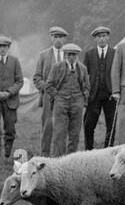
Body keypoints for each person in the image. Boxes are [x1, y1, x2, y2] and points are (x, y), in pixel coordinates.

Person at [32, 26, 69, 156]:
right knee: (47, 127)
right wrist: (47, 88)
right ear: (51, 38)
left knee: (62, 128)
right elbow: (36, 78)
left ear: (64, 39)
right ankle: (45, 156)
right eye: (55, 37)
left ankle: (60, 156)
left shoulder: (70, 54)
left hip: (65, 98)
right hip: (48, 98)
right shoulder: (43, 55)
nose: (58, 40)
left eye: (60, 37)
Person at [48, 43, 90, 155]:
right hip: (61, 103)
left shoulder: (82, 69)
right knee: (59, 133)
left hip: (77, 103)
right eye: (69, 54)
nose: (71, 57)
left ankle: (71, 159)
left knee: (75, 134)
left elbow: (87, 87)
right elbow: (49, 85)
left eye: (74, 55)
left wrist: (82, 100)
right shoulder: (57, 67)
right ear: (65, 55)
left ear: (78, 55)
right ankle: (58, 159)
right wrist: (57, 96)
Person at [83, 26, 116, 150]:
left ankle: (108, 150)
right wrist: (86, 92)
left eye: (104, 36)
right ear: (95, 39)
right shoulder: (89, 54)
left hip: (110, 95)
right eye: (99, 37)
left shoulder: (115, 53)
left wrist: (116, 90)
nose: (102, 39)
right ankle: (88, 150)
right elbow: (85, 75)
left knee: (111, 125)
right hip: (94, 95)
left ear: (108, 37)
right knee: (89, 125)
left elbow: (118, 73)